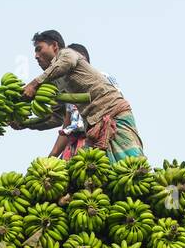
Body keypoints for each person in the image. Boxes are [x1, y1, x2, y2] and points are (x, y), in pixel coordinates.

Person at [15, 30, 143, 163]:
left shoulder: (66, 53)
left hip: (113, 113)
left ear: (54, 45)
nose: (36, 56)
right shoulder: (56, 82)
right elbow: (56, 117)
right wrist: (26, 124)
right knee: (91, 171)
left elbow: (66, 62)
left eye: (39, 49)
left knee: (132, 163)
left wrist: (34, 84)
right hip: (94, 126)